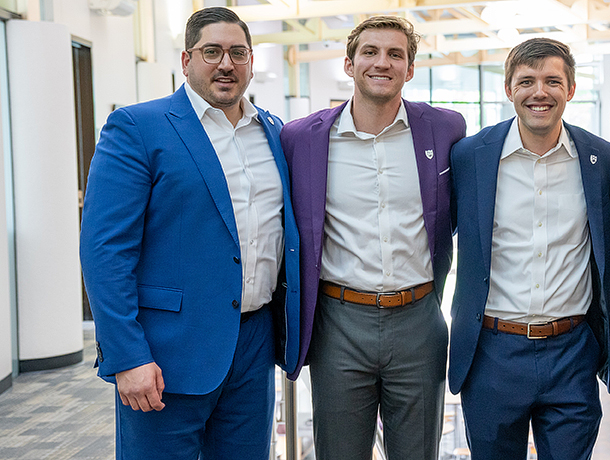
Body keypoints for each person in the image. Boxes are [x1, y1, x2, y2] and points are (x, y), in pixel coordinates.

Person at [79, 7, 300, 459]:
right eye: (211, 51)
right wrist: (127, 356)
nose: (226, 64)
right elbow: (105, 251)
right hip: (166, 355)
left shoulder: (272, 132)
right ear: (186, 60)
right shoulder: (138, 128)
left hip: (253, 347)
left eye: (238, 53)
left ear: (251, 60)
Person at [278, 16, 466, 460]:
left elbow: (457, 212)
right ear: (349, 64)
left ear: (410, 69)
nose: (382, 62)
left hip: (419, 319)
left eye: (395, 54)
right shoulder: (302, 138)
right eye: (370, 52)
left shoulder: (445, 129)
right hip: (338, 323)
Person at [448, 37, 610, 460]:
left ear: (571, 89)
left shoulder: (600, 158)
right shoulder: (470, 156)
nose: (539, 92)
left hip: (572, 352)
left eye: (552, 81)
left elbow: (609, 249)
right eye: (526, 81)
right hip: (493, 352)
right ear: (509, 88)